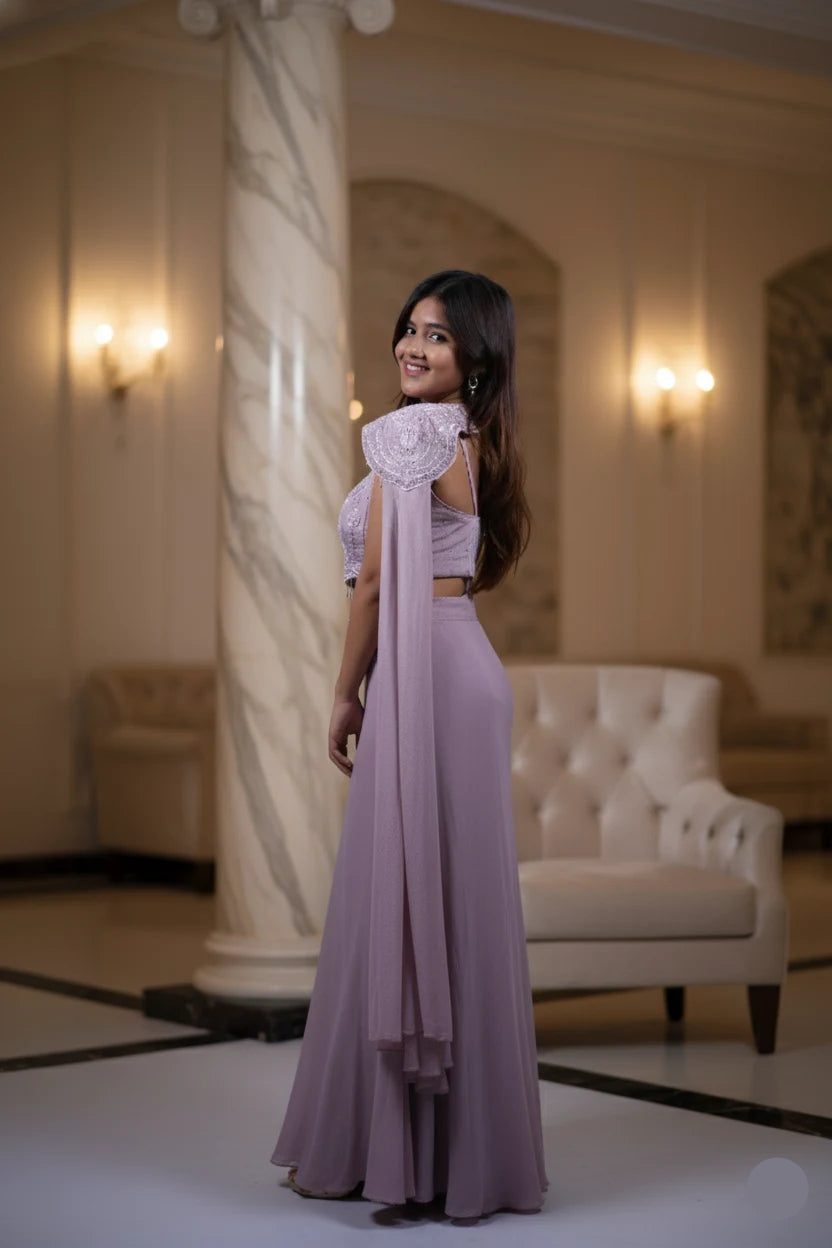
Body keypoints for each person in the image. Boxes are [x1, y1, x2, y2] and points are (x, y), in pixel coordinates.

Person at [270, 269, 549, 1222]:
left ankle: (403, 1156)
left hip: (423, 674)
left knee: (409, 890)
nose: (413, 347)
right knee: (449, 896)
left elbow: (375, 586)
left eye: (437, 336)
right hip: (456, 666)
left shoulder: (410, 433)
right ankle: (453, 1159)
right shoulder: (465, 437)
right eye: (409, 329)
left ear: (476, 358)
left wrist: (345, 690)